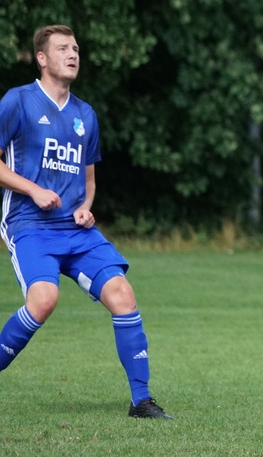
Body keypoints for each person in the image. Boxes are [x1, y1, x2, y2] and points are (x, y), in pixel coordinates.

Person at [0, 25, 172, 419]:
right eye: (62, 48)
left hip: (76, 231)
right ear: (42, 58)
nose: (73, 54)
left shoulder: (85, 114)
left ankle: (141, 401)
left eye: (75, 48)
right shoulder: (17, 101)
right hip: (29, 224)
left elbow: (88, 182)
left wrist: (86, 207)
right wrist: (33, 190)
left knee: (122, 294)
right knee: (43, 300)